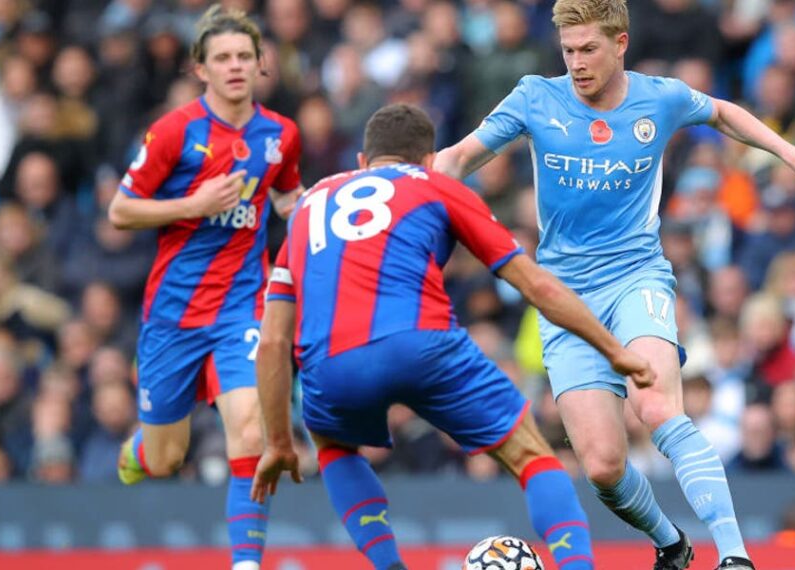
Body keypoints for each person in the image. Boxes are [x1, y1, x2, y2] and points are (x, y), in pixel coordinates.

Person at [433, 1, 795, 569]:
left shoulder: (662, 97)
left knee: (657, 407)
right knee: (603, 464)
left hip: (636, 275)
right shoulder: (535, 97)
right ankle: (671, 544)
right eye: (569, 50)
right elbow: (456, 159)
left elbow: (723, 113)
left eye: (589, 50)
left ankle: (735, 556)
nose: (577, 63)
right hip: (563, 298)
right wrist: (397, 189)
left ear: (620, 43)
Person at [251, 104, 658, 570]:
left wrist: (278, 440)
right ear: (427, 160)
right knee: (532, 457)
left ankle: (390, 566)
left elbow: (272, 342)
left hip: (331, 363)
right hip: (422, 344)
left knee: (334, 445)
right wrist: (613, 350)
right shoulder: (436, 186)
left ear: (363, 161)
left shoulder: (308, 206)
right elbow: (536, 285)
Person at [107, 6, 303, 570]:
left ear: (260, 63)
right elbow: (121, 211)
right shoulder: (174, 131)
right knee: (167, 458)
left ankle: (245, 562)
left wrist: (311, 205)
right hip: (174, 313)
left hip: (244, 304)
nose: (236, 66)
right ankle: (141, 449)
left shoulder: (281, 134)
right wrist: (193, 206)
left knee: (250, 428)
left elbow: (285, 196)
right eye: (223, 58)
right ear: (201, 69)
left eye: (245, 55)